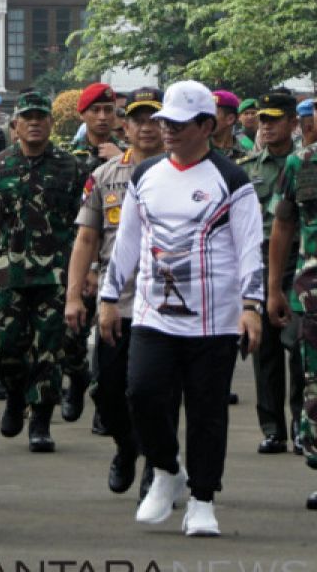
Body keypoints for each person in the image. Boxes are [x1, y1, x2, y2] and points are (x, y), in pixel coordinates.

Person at [101, 80, 262, 537]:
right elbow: (127, 242)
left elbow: (252, 248)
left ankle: (203, 500)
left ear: (206, 126)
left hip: (214, 321)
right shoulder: (145, 175)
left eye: (177, 123)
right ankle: (167, 471)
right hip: (153, 315)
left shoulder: (231, 180)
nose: (165, 130)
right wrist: (109, 299)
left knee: (207, 412)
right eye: (162, 122)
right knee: (142, 394)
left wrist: (251, 306)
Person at [66, 88, 165, 498]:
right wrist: (74, 295)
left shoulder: (180, 173)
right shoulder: (107, 176)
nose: (146, 127)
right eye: (138, 119)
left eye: (154, 119)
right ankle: (127, 448)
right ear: (126, 126)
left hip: (165, 304)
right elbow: (86, 238)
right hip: (116, 300)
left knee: (151, 390)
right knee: (107, 390)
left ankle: (155, 469)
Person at [0, 90, 84, 453]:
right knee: (6, 348)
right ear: (15, 125)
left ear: (51, 124)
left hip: (55, 275)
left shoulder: (70, 168)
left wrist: (83, 272)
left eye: (42, 117)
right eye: (28, 118)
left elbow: (83, 226)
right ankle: (13, 397)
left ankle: (40, 421)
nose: (35, 123)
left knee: (49, 350)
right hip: (10, 274)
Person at [241, 91, 304, 455]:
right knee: (263, 348)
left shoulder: (303, 164)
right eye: (263, 119)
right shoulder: (249, 168)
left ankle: (300, 424)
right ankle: (271, 428)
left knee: (297, 347)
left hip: (298, 261)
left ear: (293, 123)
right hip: (260, 261)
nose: (266, 126)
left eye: (274, 119)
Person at [62, 82, 124, 423]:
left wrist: (122, 158)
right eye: (95, 111)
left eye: (108, 110)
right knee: (72, 333)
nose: (102, 118)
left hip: (115, 263)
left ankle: (105, 405)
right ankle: (75, 379)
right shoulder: (66, 159)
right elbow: (72, 221)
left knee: (110, 335)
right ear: (82, 115)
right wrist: (83, 268)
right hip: (76, 259)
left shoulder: (131, 156)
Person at [268, 126, 317, 510]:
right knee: (313, 384)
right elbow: (282, 225)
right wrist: (273, 288)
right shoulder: (299, 163)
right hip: (311, 294)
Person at [210, 90, 248, 161]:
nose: (207, 119)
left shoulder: (246, 156)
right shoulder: (196, 152)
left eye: (212, 114)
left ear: (230, 119)